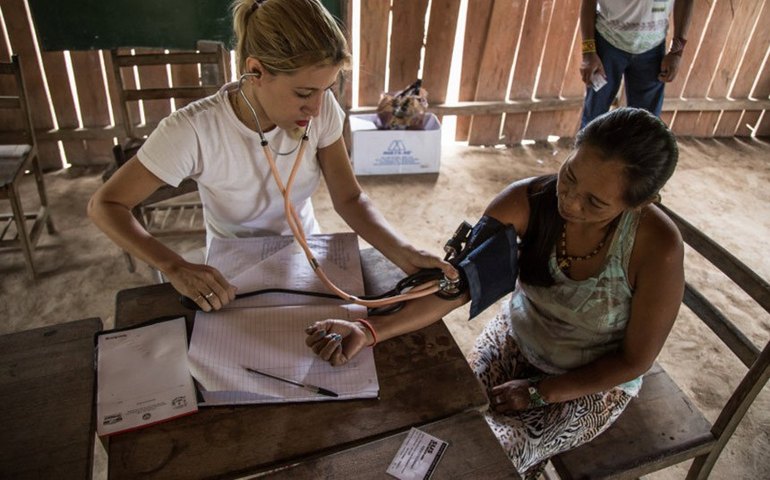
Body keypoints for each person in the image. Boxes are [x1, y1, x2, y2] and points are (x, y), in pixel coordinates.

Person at [306, 107, 685, 478]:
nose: (569, 201)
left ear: (639, 203)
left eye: (595, 202)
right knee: (445, 419)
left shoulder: (657, 248)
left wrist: (542, 392)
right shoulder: (525, 202)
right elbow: (458, 287)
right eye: (569, 176)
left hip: (593, 380)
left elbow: (634, 361)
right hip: (517, 337)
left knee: (485, 456)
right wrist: (369, 330)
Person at [88, 0, 452, 312]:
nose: (317, 107)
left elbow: (350, 197)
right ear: (256, 70)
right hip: (232, 265)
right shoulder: (193, 129)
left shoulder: (321, 111)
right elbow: (106, 205)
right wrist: (174, 266)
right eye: (304, 92)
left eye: (326, 89)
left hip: (306, 251)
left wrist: (402, 250)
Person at [579, 0, 694, 127]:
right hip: (607, 43)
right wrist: (589, 52)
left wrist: (676, 52)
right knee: (593, 118)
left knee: (646, 124)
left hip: (652, 49)